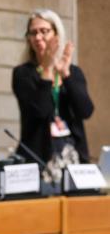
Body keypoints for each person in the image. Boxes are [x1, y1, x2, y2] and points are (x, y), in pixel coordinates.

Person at [12, 9, 94, 182]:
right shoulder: (23, 74)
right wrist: (48, 70)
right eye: (33, 33)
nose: (38, 37)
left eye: (44, 31)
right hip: (40, 160)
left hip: (73, 158)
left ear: (56, 34)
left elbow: (86, 111)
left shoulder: (73, 72)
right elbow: (40, 111)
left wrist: (66, 75)